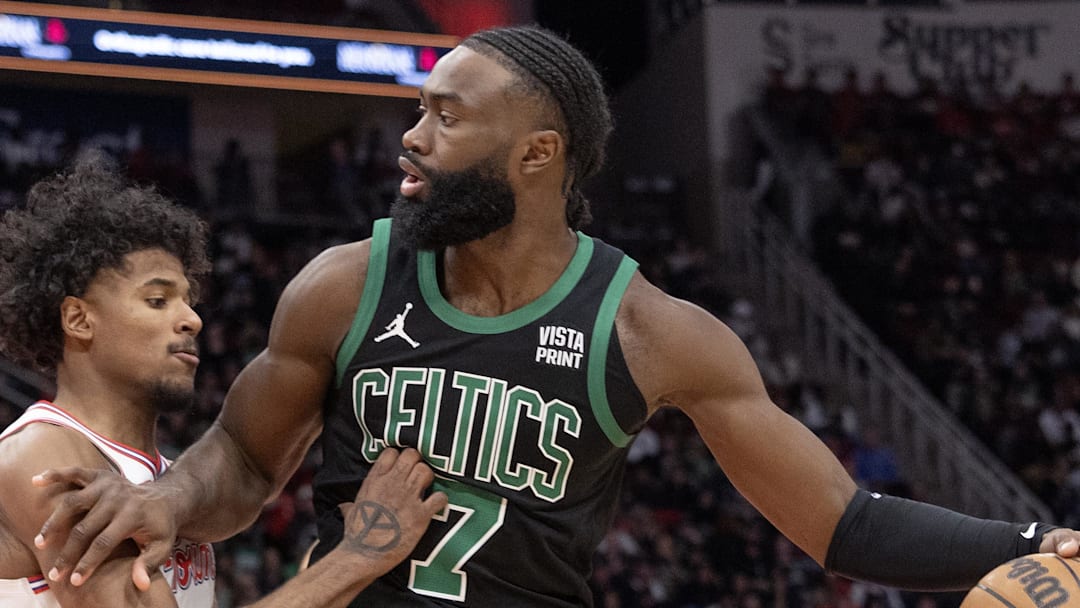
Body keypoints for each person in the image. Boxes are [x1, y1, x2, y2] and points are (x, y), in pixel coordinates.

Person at [30, 26, 1080, 607]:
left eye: (446, 115)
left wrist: (1036, 536)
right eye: (418, 108)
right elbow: (241, 465)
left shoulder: (652, 330)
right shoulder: (346, 281)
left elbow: (844, 524)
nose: (412, 135)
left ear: (537, 154)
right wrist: (173, 505)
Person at [0, 153, 446, 607]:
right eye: (158, 300)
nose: (191, 318)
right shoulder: (43, 458)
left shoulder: (162, 480)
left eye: (189, 300)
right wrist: (355, 557)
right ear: (78, 318)